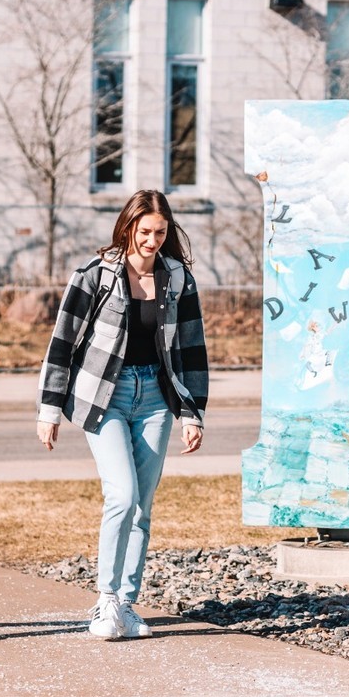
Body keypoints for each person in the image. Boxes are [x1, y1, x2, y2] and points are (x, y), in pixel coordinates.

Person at [37, 190, 208, 639]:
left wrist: (193, 412)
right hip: (104, 395)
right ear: (128, 227)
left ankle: (127, 606)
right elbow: (62, 344)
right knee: (123, 495)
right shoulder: (95, 275)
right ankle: (105, 601)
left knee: (142, 507)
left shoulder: (177, 279)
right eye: (145, 231)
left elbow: (192, 349)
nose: (152, 241)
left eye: (161, 232)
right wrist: (49, 408)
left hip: (156, 396)